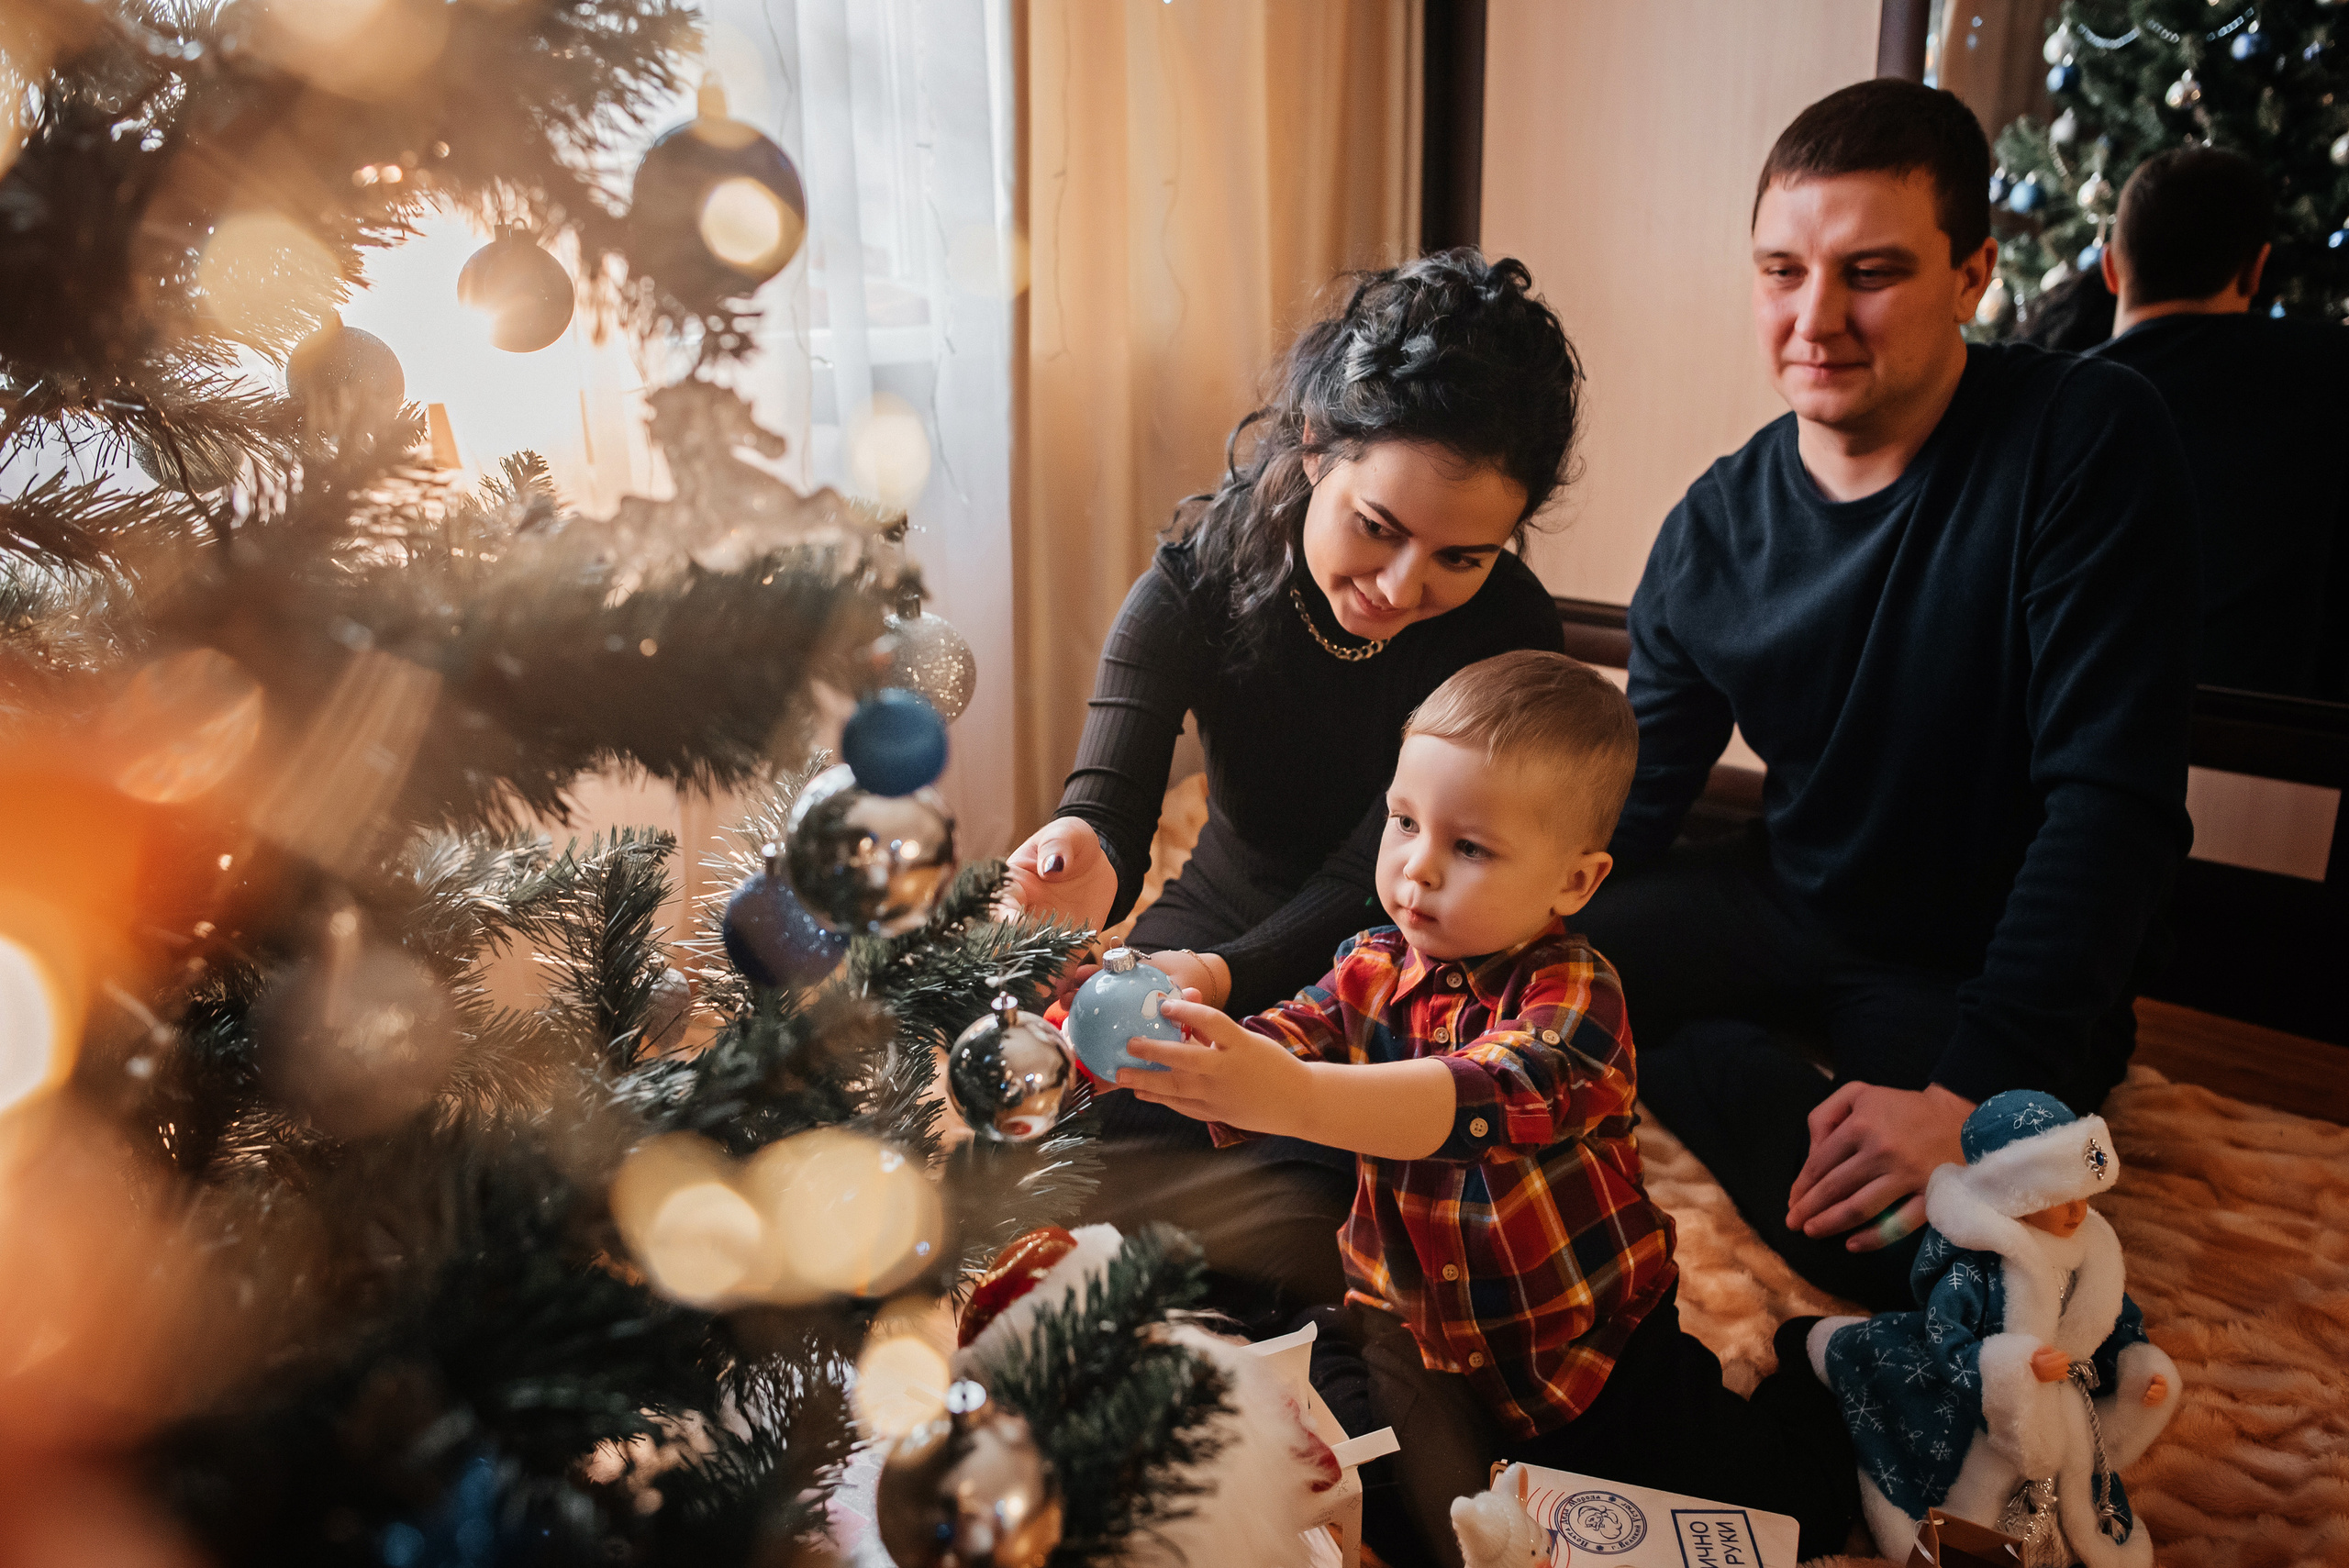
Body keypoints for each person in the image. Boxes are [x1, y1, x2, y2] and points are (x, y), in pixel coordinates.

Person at [1575, 79, 2197, 1311]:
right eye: (1782, 271)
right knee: (1536, 978)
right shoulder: (1715, 521)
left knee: (1909, 1244)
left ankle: (1701, 1053)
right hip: (1789, 899)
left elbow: (2112, 802)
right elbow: (1632, 798)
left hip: (1973, 958)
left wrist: (1969, 1093)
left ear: (1973, 275)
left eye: (1871, 273)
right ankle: (1704, 1048)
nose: (1815, 319)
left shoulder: (2085, 434)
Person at [1112, 651, 1859, 1568]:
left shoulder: (1579, 994)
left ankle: (1826, 1367)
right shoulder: (1368, 962)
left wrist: (1293, 1096)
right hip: (1414, 1327)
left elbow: (1483, 1095)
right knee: (1403, 1517)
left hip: (1583, 1349)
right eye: (1403, 821)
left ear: (1575, 882)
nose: (1417, 867)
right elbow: (1289, 1036)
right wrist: (1187, 1050)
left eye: (1469, 847)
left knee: (1782, 1509)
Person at [997, 251, 1577, 1329]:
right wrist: (1079, 851)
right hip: (1223, 912)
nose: (1402, 586)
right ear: (1314, 445)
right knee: (1058, 1148)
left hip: (1420, 950)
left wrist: (1224, 981)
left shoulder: (1507, 630)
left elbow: (1378, 870)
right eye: (1378, 526)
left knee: (1341, 1221)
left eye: (1460, 556)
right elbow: (1109, 803)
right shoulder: (1193, 583)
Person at [1812, 1090, 2181, 1566]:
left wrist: (2137, 1369)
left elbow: (2116, 1323)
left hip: (2064, 1411)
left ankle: (2060, 1540)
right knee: (1977, 1489)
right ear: (2014, 1195)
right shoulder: (1979, 1264)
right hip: (1982, 1406)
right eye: (2058, 1199)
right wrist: (2015, 1367)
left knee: (2075, 1485)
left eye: (2083, 1195)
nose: (2077, 1212)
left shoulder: (2094, 1253)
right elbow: (1947, 1336)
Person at [2090, 146, 2349, 701]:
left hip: (2079, 725)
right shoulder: (2331, 372)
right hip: (2280, 735)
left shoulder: (2051, 400)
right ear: (2256, 270)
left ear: (2110, 268)